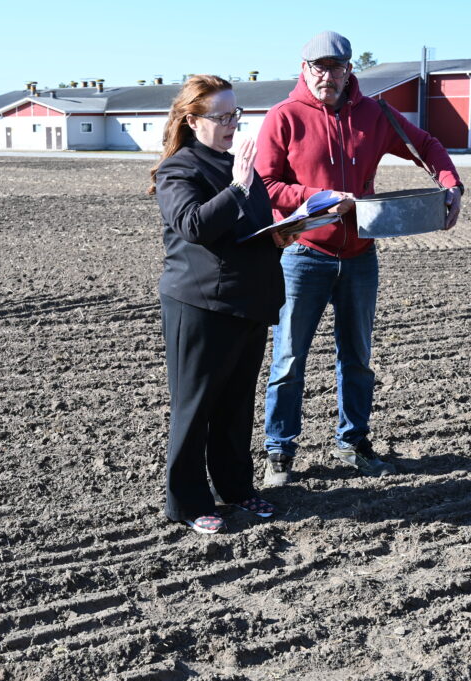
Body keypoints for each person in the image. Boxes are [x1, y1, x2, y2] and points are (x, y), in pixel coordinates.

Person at [256, 31, 464, 486]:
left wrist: (450, 183)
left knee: (357, 358)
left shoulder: (375, 114)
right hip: (303, 256)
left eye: (336, 68)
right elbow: (265, 186)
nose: (326, 76)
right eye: (318, 67)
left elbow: (427, 146)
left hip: (359, 256)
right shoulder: (284, 117)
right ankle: (279, 451)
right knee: (290, 358)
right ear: (304, 68)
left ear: (350, 70)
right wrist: (318, 198)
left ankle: (353, 443)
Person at [151, 75, 287, 533]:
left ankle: (237, 489)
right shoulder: (180, 169)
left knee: (235, 406)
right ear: (193, 120)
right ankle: (186, 503)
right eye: (222, 116)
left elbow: (246, 229)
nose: (233, 123)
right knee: (196, 408)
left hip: (246, 302)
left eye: (236, 114)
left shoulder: (235, 164)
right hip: (199, 305)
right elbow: (193, 226)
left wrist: (285, 233)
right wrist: (238, 185)